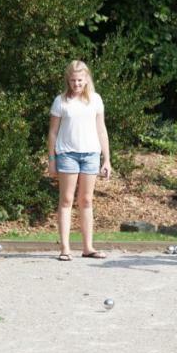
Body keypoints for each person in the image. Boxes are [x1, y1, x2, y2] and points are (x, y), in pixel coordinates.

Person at [46, 60, 112, 261]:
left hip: (91, 154)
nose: (76, 84)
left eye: (80, 80)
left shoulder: (95, 100)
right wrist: (51, 159)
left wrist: (107, 159)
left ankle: (87, 247)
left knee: (86, 200)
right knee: (66, 200)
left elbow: (101, 130)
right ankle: (65, 248)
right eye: (73, 80)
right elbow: (53, 132)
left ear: (86, 79)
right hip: (67, 155)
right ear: (68, 80)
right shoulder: (61, 101)